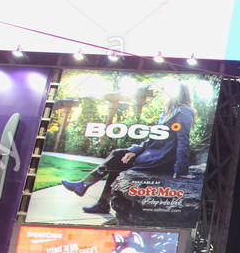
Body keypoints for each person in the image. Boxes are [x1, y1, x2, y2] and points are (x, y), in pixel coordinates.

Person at [62, 81, 197, 215]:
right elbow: (152, 138)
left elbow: (183, 141)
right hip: (153, 155)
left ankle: (88, 189)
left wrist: (181, 170)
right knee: (118, 158)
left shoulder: (183, 112)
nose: (163, 93)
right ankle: (98, 200)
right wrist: (134, 151)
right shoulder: (168, 112)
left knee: (117, 158)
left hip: (162, 159)